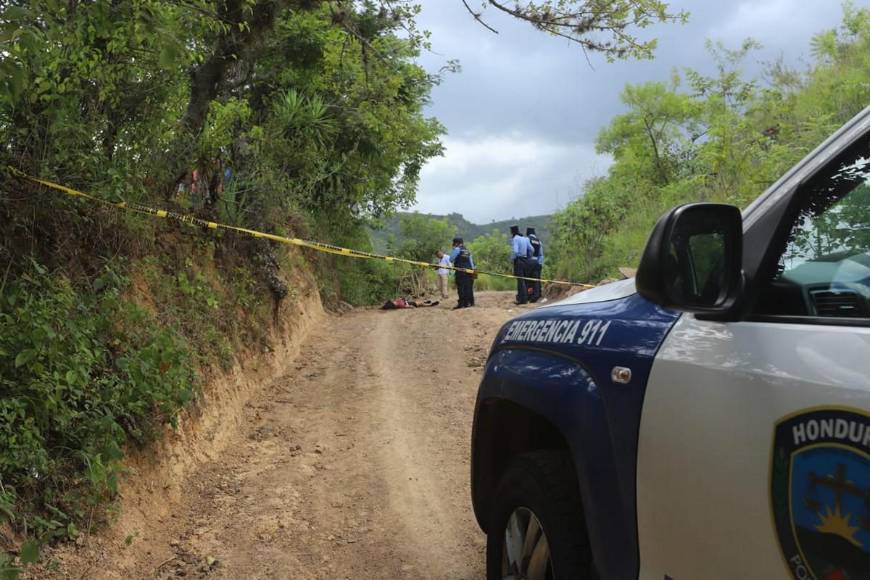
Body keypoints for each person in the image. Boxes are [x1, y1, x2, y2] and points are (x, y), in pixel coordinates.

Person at [509, 225, 533, 305]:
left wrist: (512, 259)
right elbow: (531, 249)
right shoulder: (525, 239)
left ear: (512, 232)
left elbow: (515, 251)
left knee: (520, 281)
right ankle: (525, 298)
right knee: (525, 280)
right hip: (525, 260)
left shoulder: (515, 239)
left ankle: (521, 299)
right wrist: (528, 257)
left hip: (519, 260)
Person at [449, 237, 475, 309]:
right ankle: (469, 303)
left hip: (460, 271)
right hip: (469, 271)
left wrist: (453, 250)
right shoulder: (467, 250)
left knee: (461, 288)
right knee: (468, 287)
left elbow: (451, 259)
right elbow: (471, 263)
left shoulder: (457, 249)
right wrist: (473, 272)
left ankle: (461, 304)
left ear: (456, 243)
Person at [526, 227, 544, 303]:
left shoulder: (527, 239)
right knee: (537, 280)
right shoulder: (539, 241)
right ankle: (537, 295)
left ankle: (530, 296)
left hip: (529, 262)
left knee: (529, 280)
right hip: (537, 262)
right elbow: (541, 254)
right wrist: (539, 263)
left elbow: (527, 250)